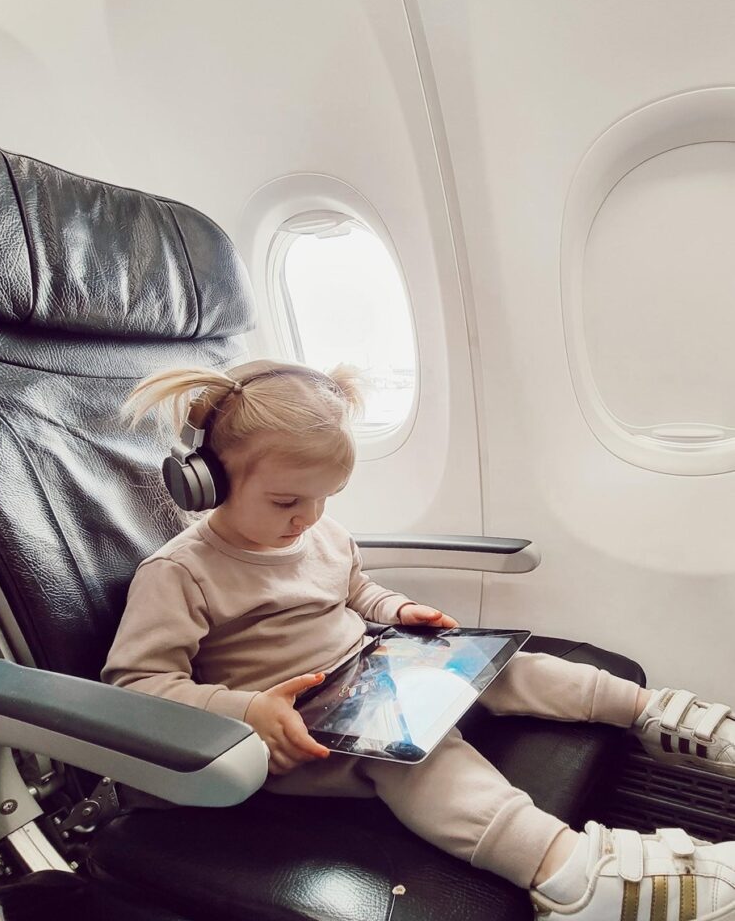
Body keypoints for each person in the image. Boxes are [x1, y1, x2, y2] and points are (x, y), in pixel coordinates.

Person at [103, 360, 735, 921]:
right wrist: (248, 713)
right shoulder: (181, 574)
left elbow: (357, 593)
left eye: (324, 499)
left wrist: (399, 610)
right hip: (293, 732)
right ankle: (571, 877)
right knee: (422, 757)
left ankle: (664, 716)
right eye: (287, 500)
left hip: (370, 672)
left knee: (510, 668)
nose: (307, 519)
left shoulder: (319, 534)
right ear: (205, 482)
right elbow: (137, 687)